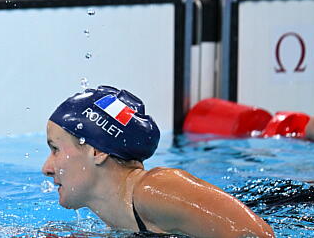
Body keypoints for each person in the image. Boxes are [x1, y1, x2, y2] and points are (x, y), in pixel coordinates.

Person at [42, 85, 275, 238]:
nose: (46, 168)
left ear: (96, 152)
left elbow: (259, 236)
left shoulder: (155, 189)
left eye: (55, 149)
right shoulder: (122, 216)